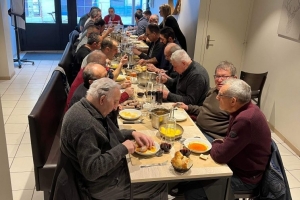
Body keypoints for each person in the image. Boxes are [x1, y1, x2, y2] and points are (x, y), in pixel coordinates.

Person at [57, 78, 168, 199]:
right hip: (101, 185)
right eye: (115, 102)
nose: (116, 107)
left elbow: (105, 134)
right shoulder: (85, 125)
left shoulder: (86, 107)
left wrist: (132, 133)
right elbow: (92, 170)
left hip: (104, 175)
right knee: (159, 183)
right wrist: (123, 148)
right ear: (102, 99)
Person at [183, 79, 271, 199]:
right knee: (191, 174)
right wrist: (221, 144)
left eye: (221, 95)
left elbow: (220, 155)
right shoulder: (243, 109)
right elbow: (225, 144)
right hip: (236, 164)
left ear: (233, 101)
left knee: (193, 190)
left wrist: (215, 143)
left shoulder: (245, 119)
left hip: (245, 178)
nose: (217, 97)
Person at [175, 61, 237, 142]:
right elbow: (205, 109)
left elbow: (235, 130)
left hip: (211, 136)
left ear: (234, 78)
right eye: (217, 76)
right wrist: (187, 107)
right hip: (197, 127)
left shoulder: (233, 100)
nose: (219, 80)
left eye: (224, 76)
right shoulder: (213, 91)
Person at [69, 63, 134, 108]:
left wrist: (120, 86)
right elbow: (107, 110)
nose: (108, 78)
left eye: (107, 74)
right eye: (104, 77)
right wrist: (125, 95)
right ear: (92, 82)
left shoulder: (93, 87)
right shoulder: (88, 97)